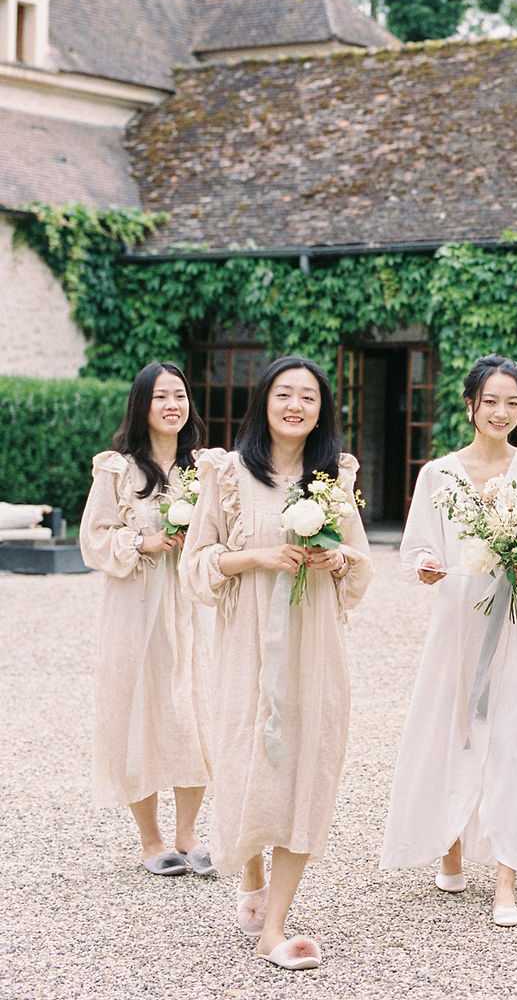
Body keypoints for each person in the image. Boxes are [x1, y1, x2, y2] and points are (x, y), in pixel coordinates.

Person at [182, 356, 373, 970]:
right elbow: (197, 561)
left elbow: (361, 563)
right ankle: (251, 877)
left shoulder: (333, 477)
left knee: (307, 765)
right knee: (245, 762)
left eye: (309, 398)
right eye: (285, 394)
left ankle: (276, 925)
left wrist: (335, 559)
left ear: (323, 411)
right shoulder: (227, 473)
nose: (296, 405)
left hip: (314, 646)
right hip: (246, 645)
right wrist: (260, 558)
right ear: (264, 401)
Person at [381, 355, 517, 927]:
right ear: (470, 406)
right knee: (454, 734)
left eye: (512, 402)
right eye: (490, 402)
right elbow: (416, 550)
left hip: (516, 626)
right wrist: (429, 565)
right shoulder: (439, 473)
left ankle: (505, 877)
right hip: (457, 627)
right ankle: (450, 850)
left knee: (511, 740)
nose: (501, 412)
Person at [80, 361, 212, 877]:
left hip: (190, 605)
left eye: (179, 395)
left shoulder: (205, 467)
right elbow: (93, 538)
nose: (172, 405)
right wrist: (143, 541)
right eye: (160, 397)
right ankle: (150, 838)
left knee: (192, 711)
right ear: (142, 405)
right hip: (134, 607)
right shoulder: (118, 469)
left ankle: (188, 832)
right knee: (137, 713)